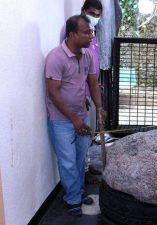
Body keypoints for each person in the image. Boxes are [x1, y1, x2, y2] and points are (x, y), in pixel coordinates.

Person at [46, 15, 105, 216]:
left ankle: (78, 193)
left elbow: (93, 83)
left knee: (80, 159)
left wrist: (99, 108)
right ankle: (72, 198)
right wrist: (74, 120)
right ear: (72, 35)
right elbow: (53, 92)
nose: (91, 35)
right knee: (68, 161)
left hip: (82, 115)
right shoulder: (55, 58)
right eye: (86, 32)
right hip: (61, 120)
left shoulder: (88, 55)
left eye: (91, 31)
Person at [60, 0, 104, 184]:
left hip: (91, 89)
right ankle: (82, 173)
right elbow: (72, 66)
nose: (95, 18)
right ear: (83, 11)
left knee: (88, 133)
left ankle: (84, 166)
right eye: (92, 13)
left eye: (98, 14)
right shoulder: (71, 35)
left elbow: (91, 66)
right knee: (81, 135)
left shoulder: (92, 35)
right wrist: (83, 94)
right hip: (80, 93)